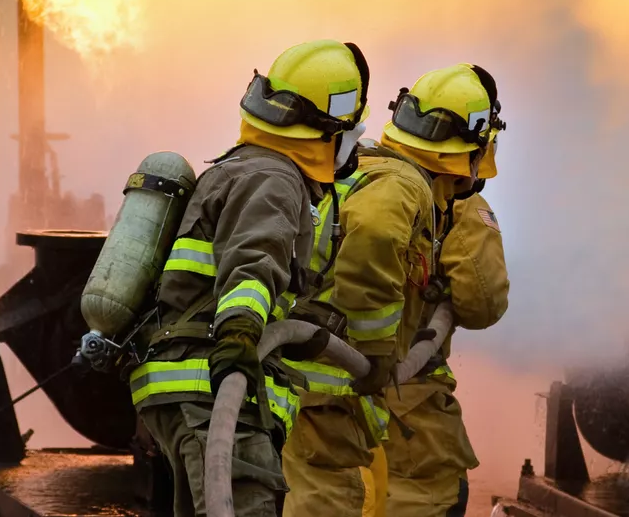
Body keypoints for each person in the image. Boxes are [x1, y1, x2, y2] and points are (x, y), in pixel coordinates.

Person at [128, 39, 371, 517]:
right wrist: (242, 332)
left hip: (187, 381)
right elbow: (252, 264)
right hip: (215, 388)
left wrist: (299, 324)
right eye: (349, 134)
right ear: (327, 133)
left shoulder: (239, 167)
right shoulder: (275, 179)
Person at [282, 63, 504, 517]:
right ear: (472, 146)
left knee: (316, 494)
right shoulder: (436, 198)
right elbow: (482, 303)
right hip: (393, 388)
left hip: (304, 381)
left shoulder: (346, 170)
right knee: (414, 490)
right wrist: (377, 345)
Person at [380, 132, 509, 517]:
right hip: (408, 406)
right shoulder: (462, 208)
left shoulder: (355, 179)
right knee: (427, 494)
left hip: (315, 400)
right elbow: (483, 303)